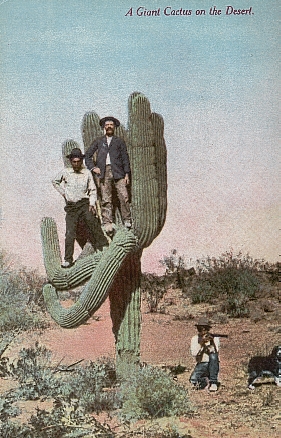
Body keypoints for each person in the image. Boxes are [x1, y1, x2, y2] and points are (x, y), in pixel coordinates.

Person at [52, 148, 108, 268]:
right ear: (71, 161)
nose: (76, 164)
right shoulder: (66, 172)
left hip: (84, 203)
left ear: (81, 161)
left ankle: (104, 245)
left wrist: (92, 203)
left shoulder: (87, 173)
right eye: (74, 162)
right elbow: (55, 181)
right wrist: (64, 193)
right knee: (70, 232)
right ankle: (68, 259)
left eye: (78, 161)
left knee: (92, 222)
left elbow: (92, 189)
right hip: (72, 206)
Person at [85, 116, 131, 237]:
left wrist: (127, 173)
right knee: (106, 199)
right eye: (107, 125)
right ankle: (107, 222)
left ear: (114, 127)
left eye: (111, 125)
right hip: (104, 172)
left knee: (124, 196)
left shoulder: (119, 141)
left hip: (118, 172)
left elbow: (125, 158)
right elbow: (88, 155)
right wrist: (93, 168)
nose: (109, 127)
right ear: (104, 127)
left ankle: (127, 220)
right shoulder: (99, 141)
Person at [190, 317, 220, 391]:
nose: (203, 331)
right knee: (193, 380)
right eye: (200, 329)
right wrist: (202, 344)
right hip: (202, 364)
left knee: (213, 357)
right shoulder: (194, 339)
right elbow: (194, 353)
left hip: (212, 364)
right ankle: (206, 381)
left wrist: (211, 342)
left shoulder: (214, 338)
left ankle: (213, 382)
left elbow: (215, 353)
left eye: (205, 329)